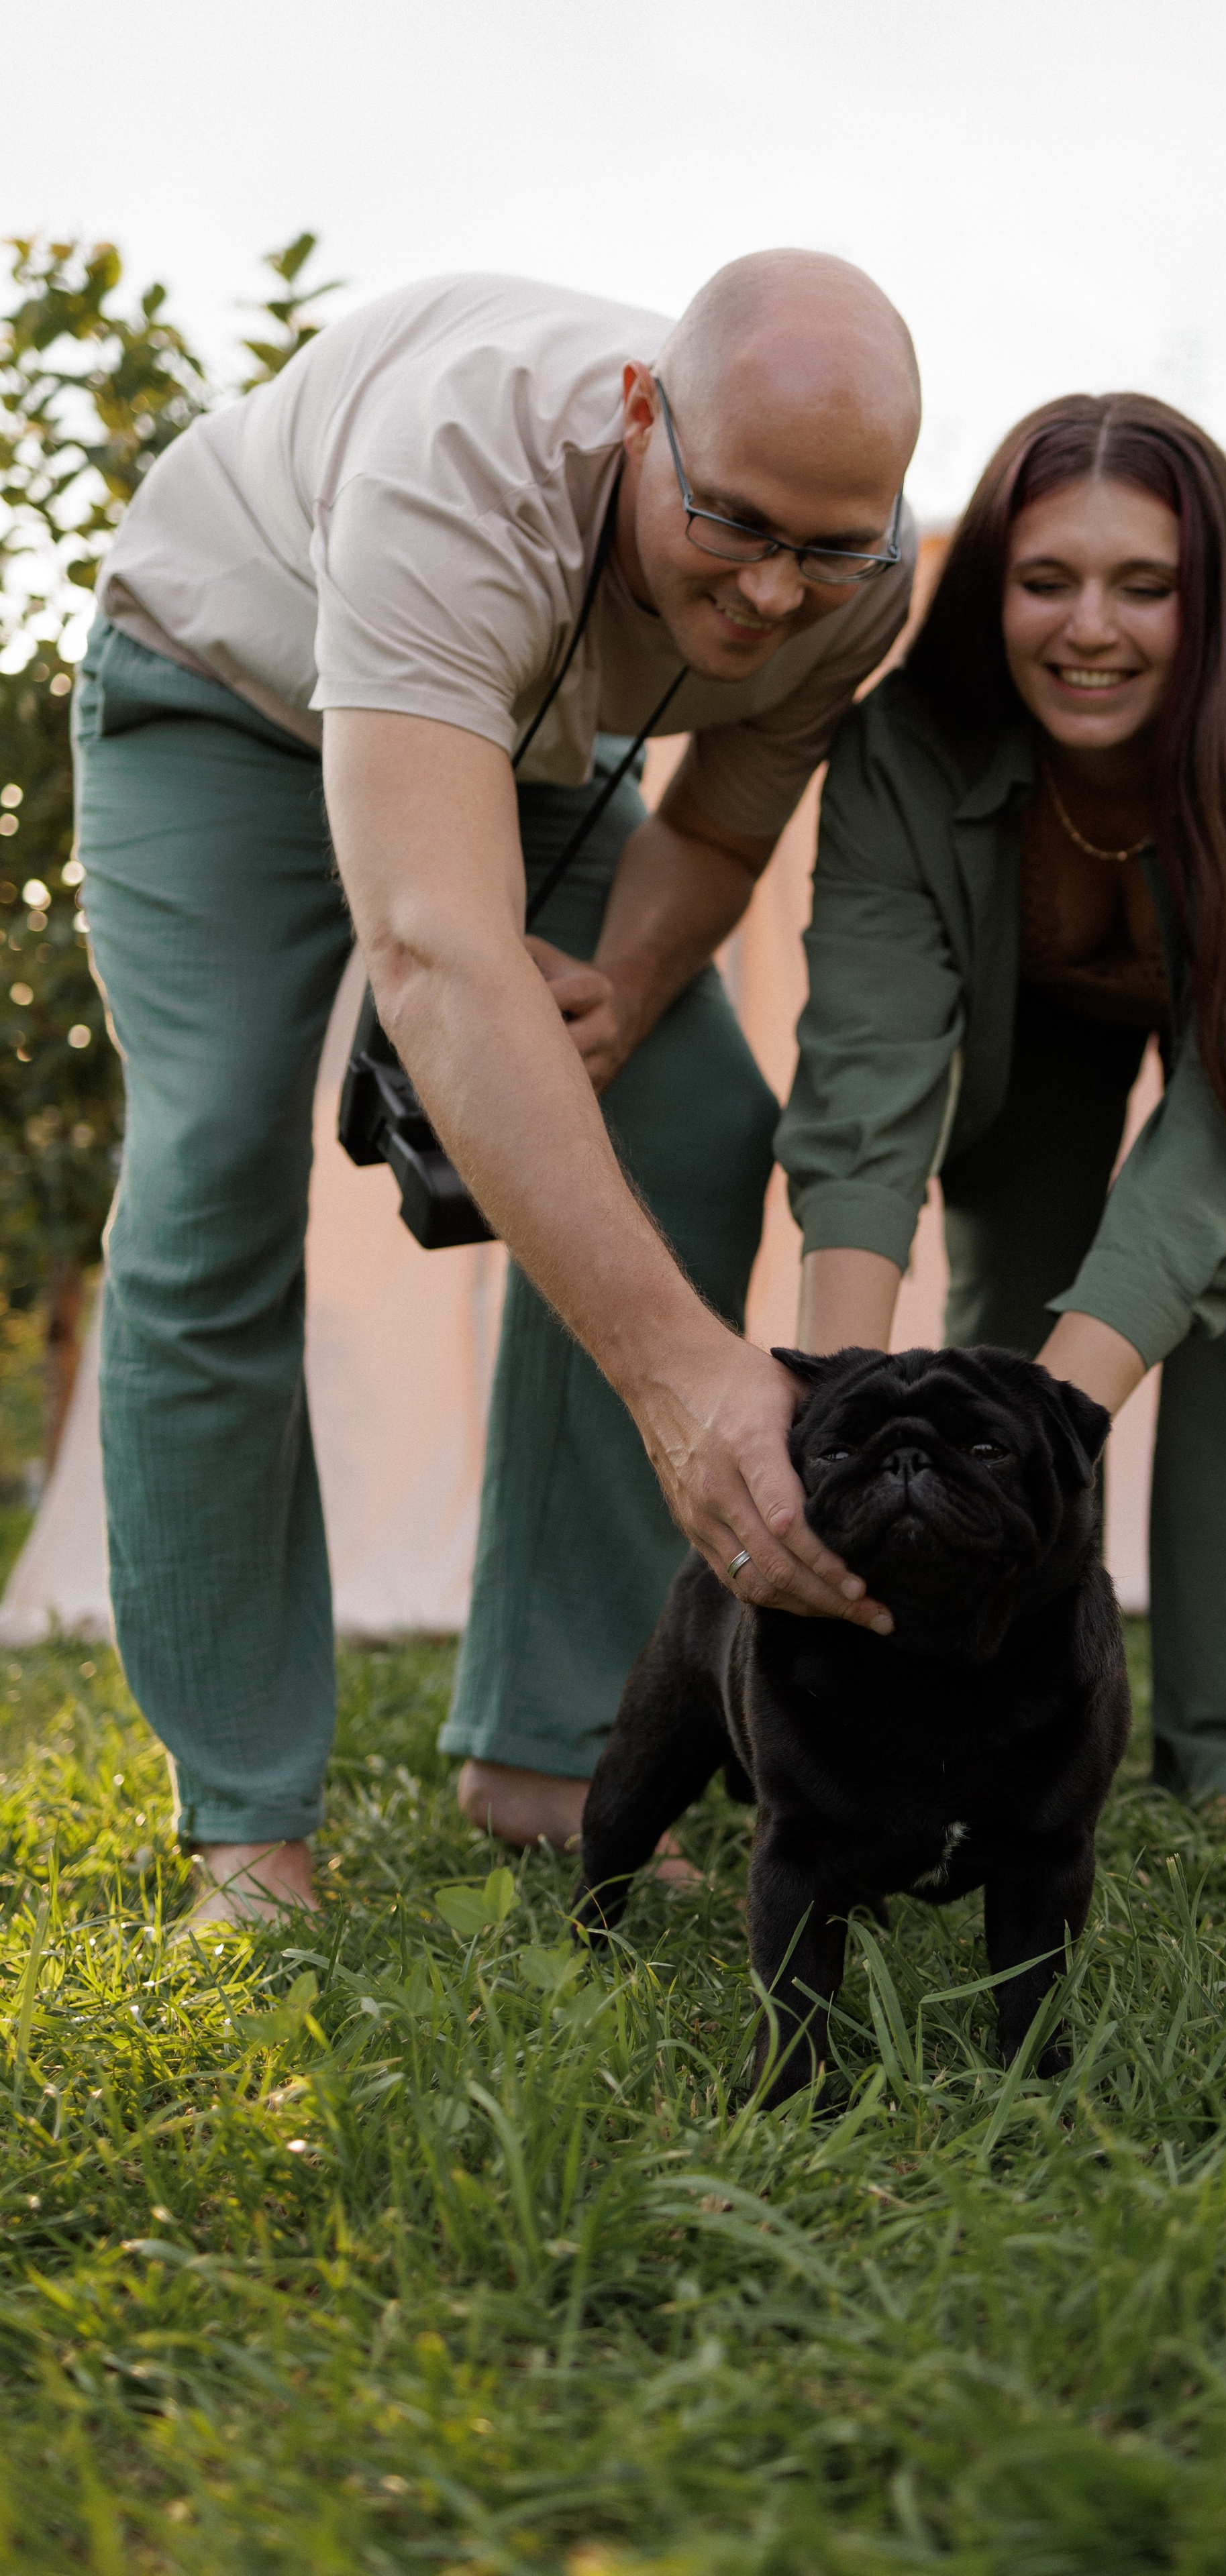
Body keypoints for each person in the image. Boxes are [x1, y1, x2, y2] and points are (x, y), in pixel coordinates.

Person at [76, 250, 918, 1924]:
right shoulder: (460, 460)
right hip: (221, 695)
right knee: (214, 1166)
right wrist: (685, 1377)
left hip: (510, 747)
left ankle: (554, 1750)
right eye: (734, 526)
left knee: (688, 1114)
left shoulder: (863, 581)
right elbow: (435, 948)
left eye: (827, 548)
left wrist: (606, 1019)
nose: (768, 596)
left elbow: (717, 830)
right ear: (637, 421)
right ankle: (246, 1820)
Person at [777, 392, 1226, 1833]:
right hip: (1039, 1020)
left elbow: (1220, 1154)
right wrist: (832, 1412)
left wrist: (1049, 1431)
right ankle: (961, 1700)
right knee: (1009, 1303)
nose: (1091, 627)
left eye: (1143, 585)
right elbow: (869, 1062)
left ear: (1205, 597)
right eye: (1046, 581)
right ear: (992, 587)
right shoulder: (905, 743)